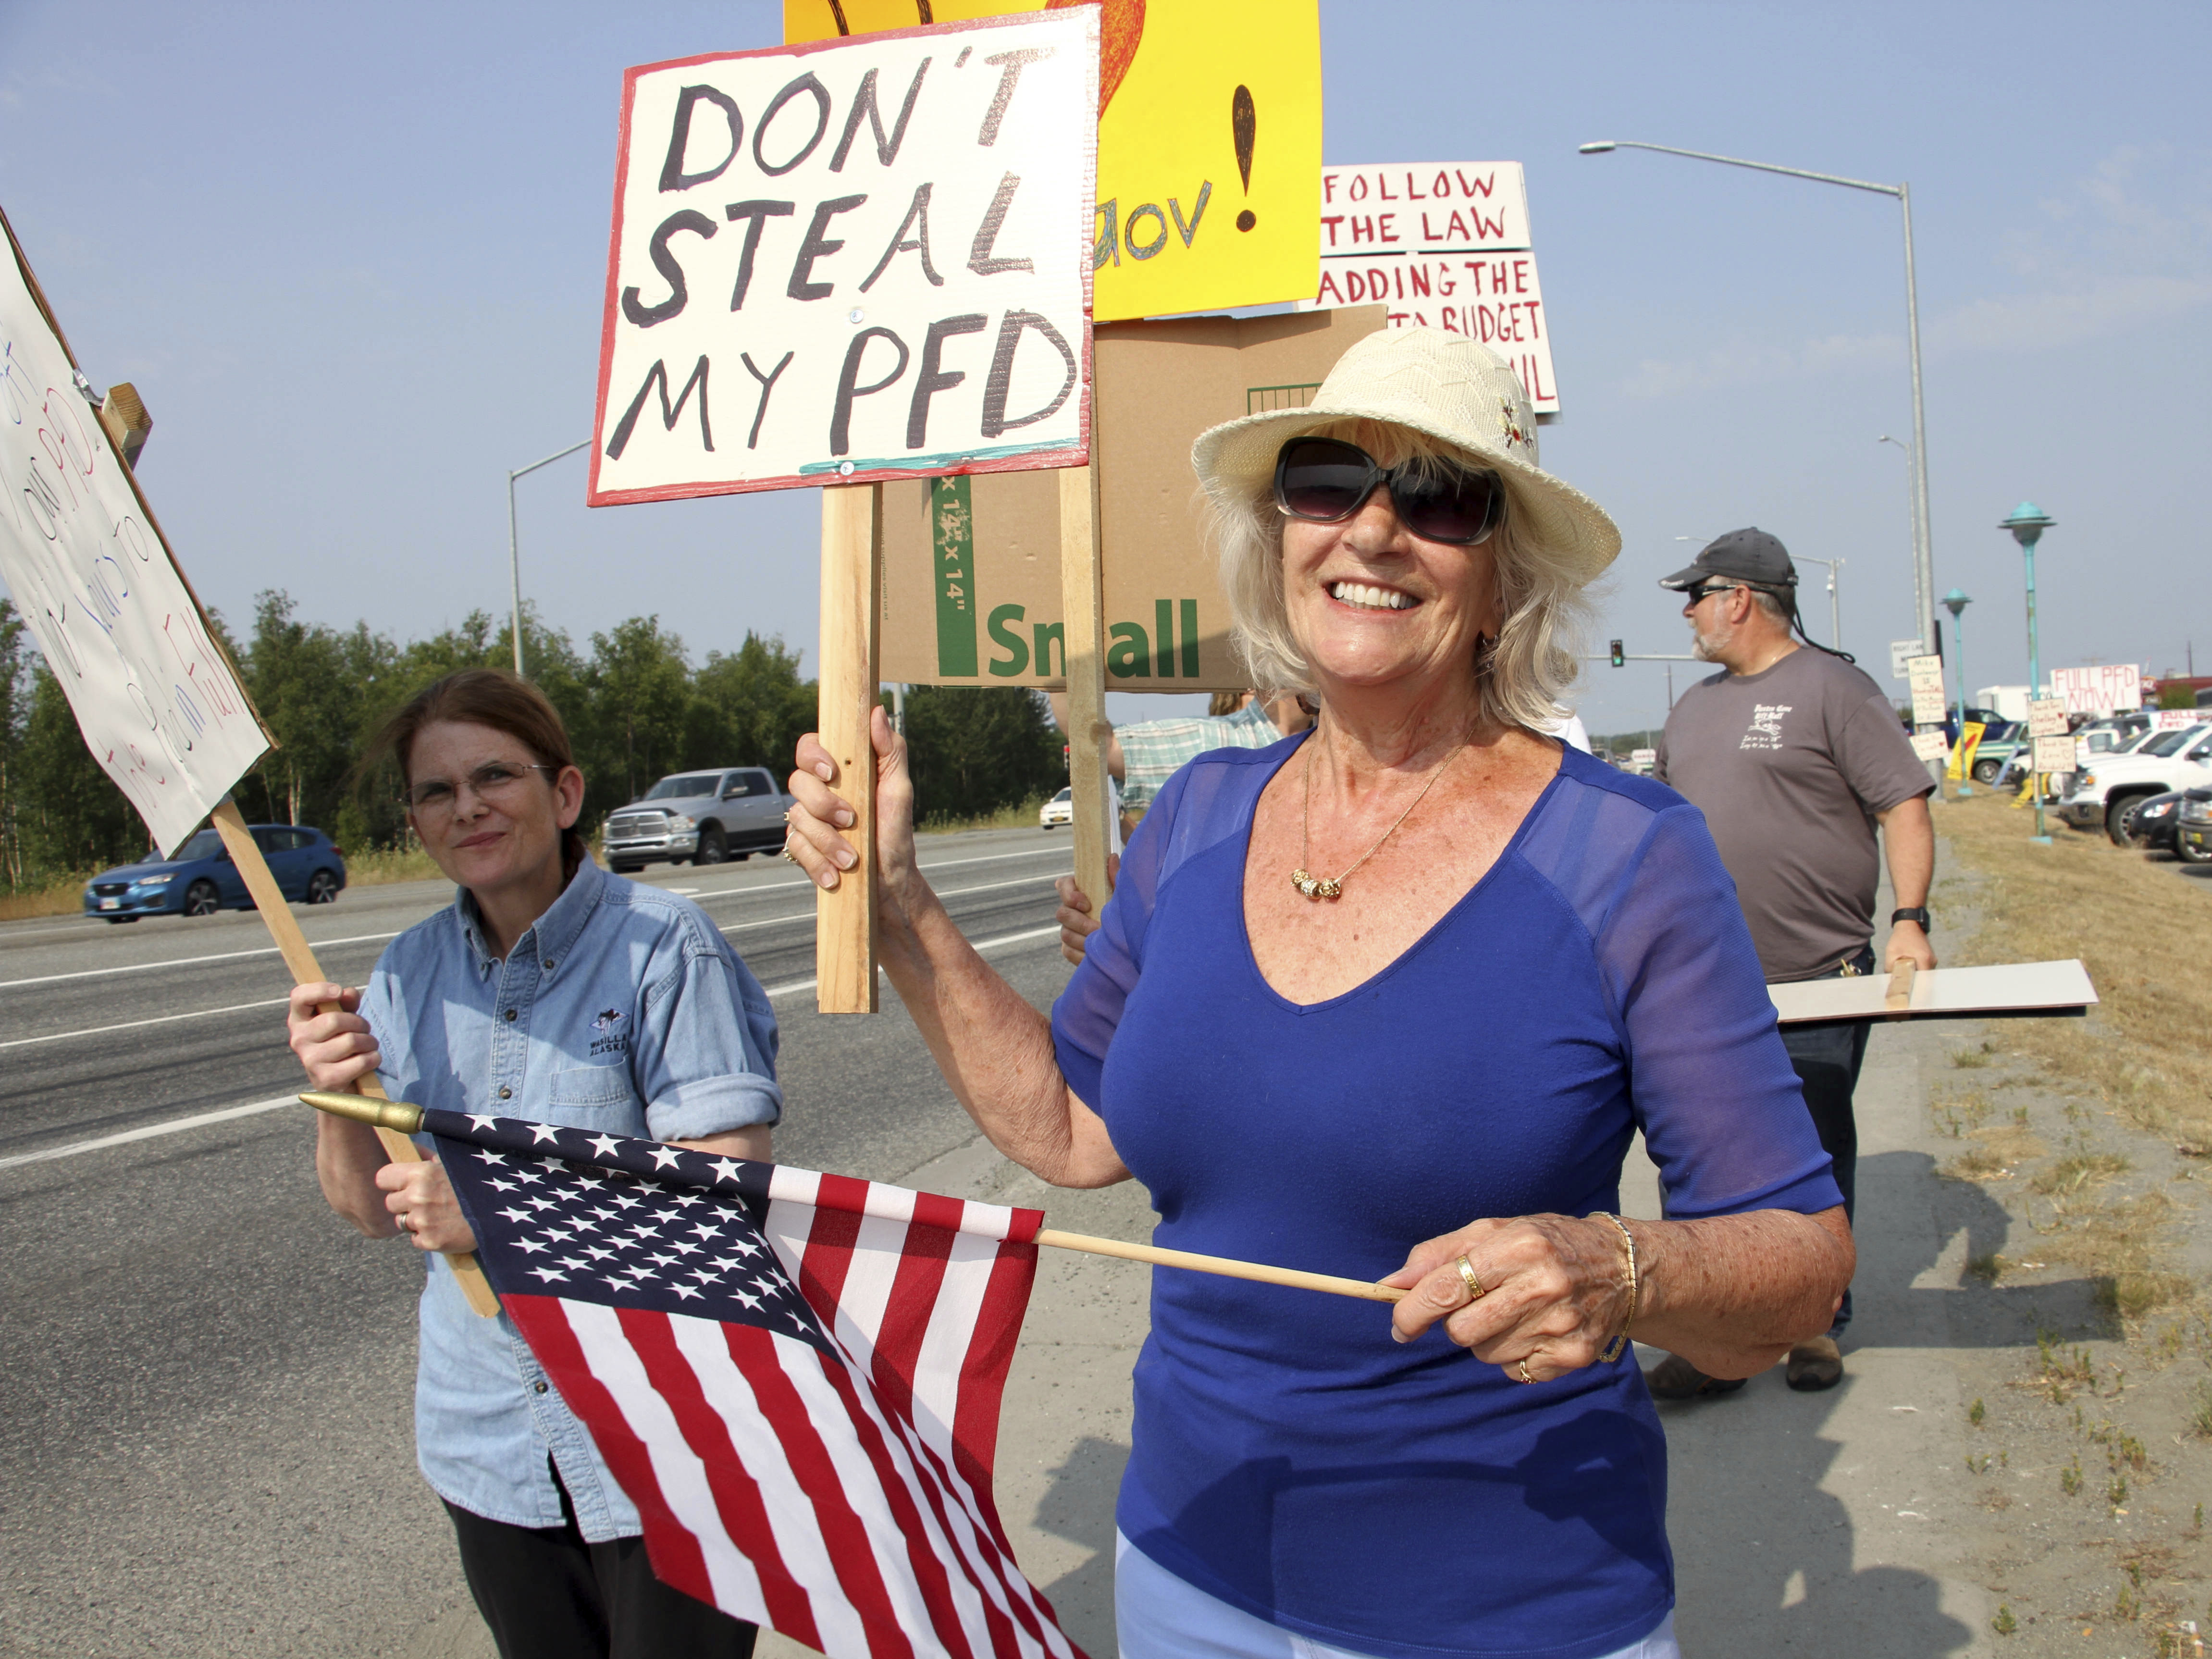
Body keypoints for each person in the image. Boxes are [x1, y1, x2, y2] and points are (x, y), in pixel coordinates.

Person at [783, 329, 1853, 1659]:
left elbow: (1800, 1267)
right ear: (1277, 530)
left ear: (1503, 566)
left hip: (1505, 1606)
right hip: (1184, 1567)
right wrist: (895, 907)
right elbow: (1073, 1122)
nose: (1375, 529)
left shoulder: (1629, 855)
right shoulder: (1195, 816)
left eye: (1439, 498)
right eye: (1327, 480)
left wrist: (1624, 1267)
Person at [285, 669, 778, 1659]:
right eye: (435, 790)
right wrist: (338, 1095)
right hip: (491, 1444)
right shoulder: (405, 971)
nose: (466, 805)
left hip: (661, 1437)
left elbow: (726, 1194)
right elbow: (367, 1209)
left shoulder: (664, 948)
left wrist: (498, 1207)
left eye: (494, 775)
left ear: (563, 794)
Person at [1649, 529, 1937, 1397]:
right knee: (1702, 1153)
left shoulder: (1834, 690)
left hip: (1820, 971)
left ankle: (1813, 1323)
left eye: (1694, 596)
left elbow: (1905, 807)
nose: (1689, 614)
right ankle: (1716, 1338)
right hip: (1703, 980)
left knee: (1804, 1146)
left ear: (1739, 597)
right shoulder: (1693, 706)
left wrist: (1910, 920)